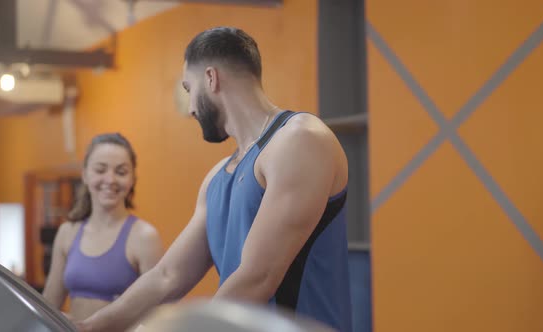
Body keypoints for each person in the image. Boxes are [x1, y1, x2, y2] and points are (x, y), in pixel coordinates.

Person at [77, 27, 353, 332]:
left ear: (211, 78)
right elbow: (167, 275)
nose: (191, 108)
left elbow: (257, 277)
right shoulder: (217, 178)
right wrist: (89, 327)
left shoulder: (300, 139)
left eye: (188, 89)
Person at [42, 133, 164, 322]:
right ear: (84, 175)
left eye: (121, 172)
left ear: (132, 178)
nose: (110, 179)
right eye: (100, 170)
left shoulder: (144, 237)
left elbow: (159, 315)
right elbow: (48, 306)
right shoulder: (68, 232)